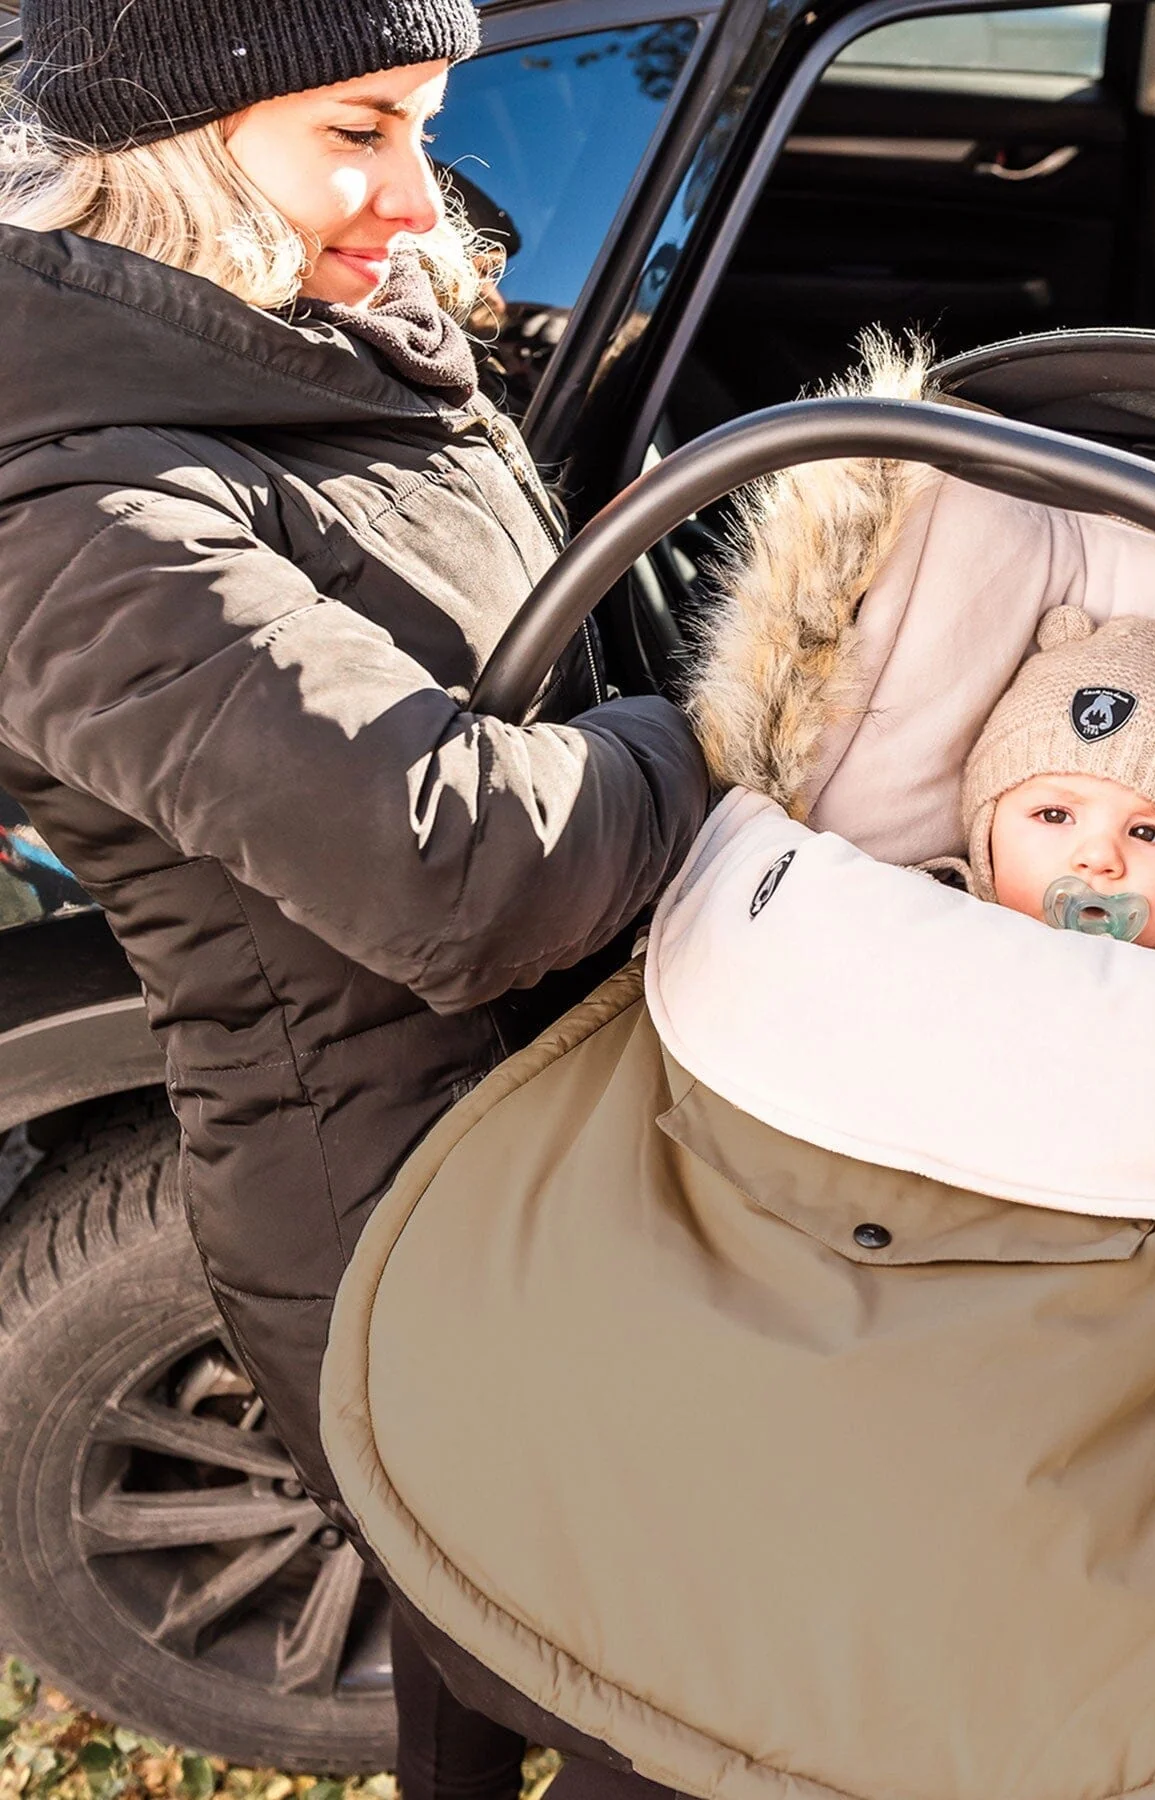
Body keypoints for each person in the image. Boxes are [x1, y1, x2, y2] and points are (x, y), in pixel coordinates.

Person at [0, 3, 708, 1797]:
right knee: (685, 1705)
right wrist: (726, 737)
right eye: (360, 128)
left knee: (512, 1667)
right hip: (410, 1232)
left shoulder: (299, 343)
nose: (418, 195)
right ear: (169, 141)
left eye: (425, 127)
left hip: (532, 1154)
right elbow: (461, 872)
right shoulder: (73, 507)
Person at [941, 607, 1155, 950]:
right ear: (985, 834)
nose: (1100, 858)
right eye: (1054, 815)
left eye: (1147, 833)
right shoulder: (925, 923)